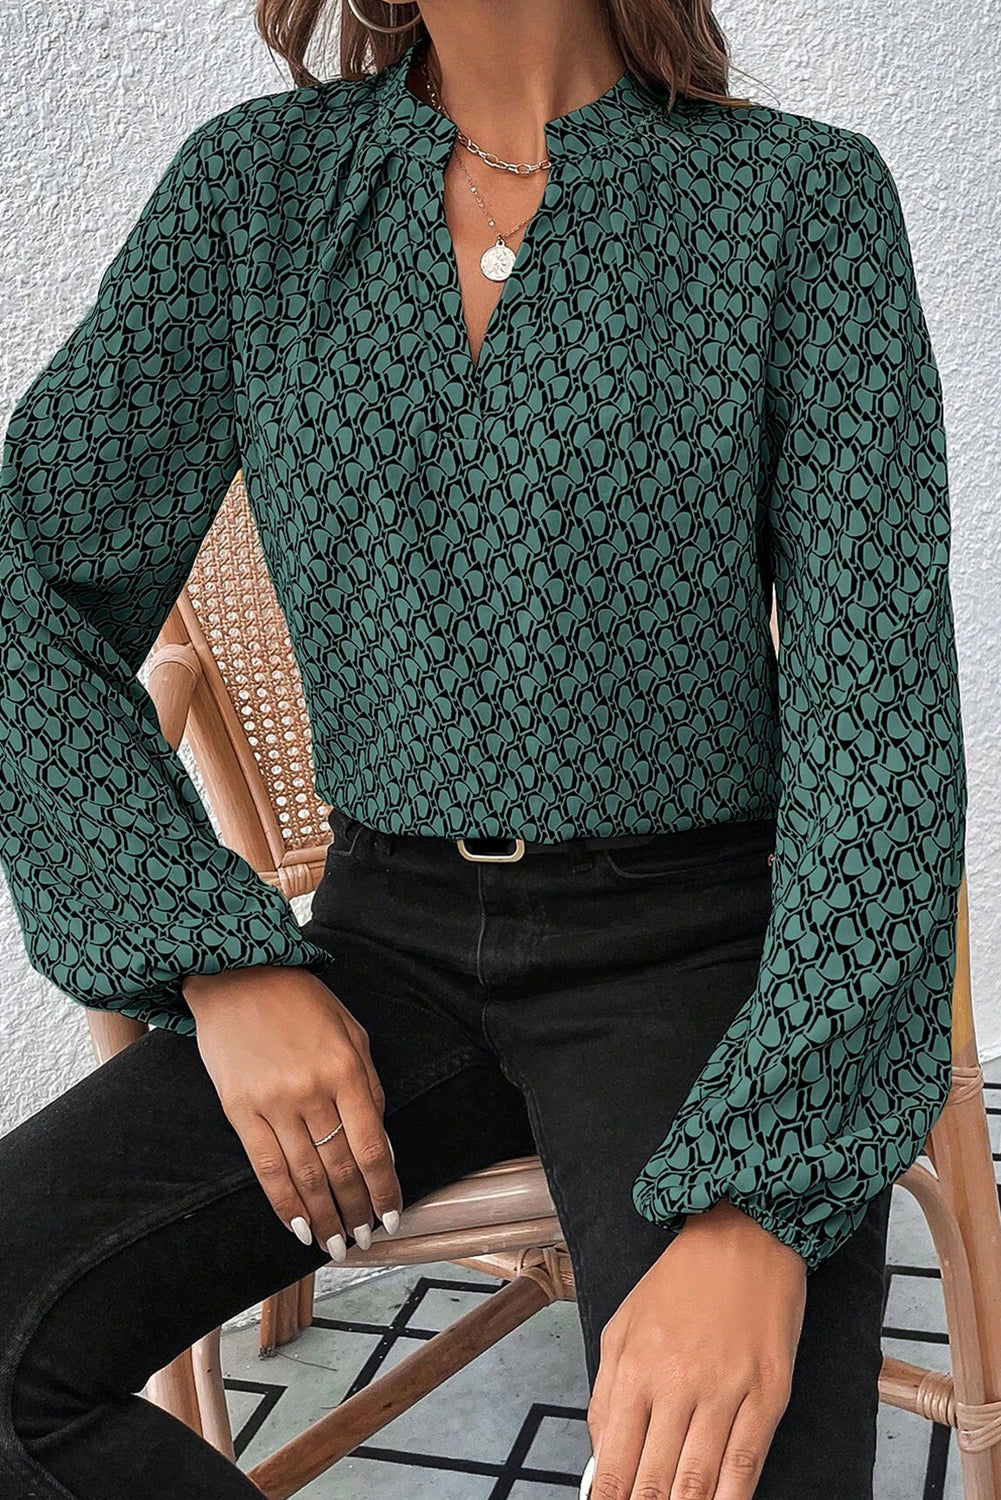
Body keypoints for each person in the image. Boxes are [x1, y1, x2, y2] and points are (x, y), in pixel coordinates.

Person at [0, 2, 967, 1497]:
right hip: (374, 954)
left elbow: (878, 729)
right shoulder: (256, 195)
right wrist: (217, 958)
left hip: (694, 952)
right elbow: (26, 585)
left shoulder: (797, 201)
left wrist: (759, 1203)